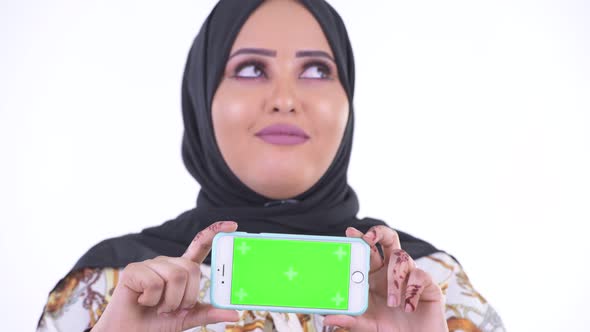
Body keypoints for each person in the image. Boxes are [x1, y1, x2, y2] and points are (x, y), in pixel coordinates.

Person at [37, 0, 505, 331]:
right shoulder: (108, 289)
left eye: (318, 70)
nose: (284, 99)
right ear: (203, 100)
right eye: (250, 69)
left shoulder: (432, 290)